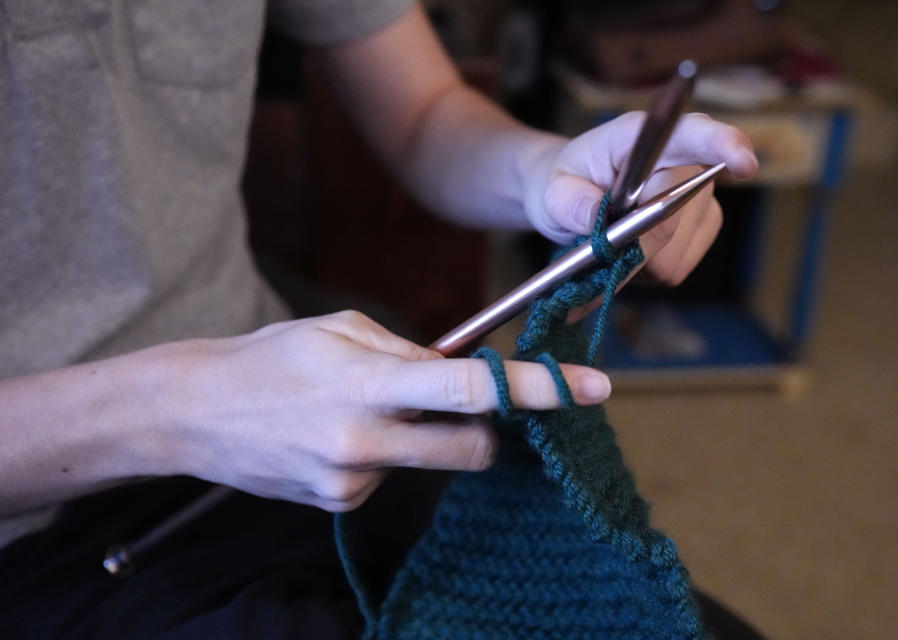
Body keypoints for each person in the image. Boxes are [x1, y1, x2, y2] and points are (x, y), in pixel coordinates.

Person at [0, 1, 758, 637]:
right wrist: (177, 407)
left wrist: (547, 176)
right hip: (36, 515)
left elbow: (424, 113)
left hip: (283, 398)